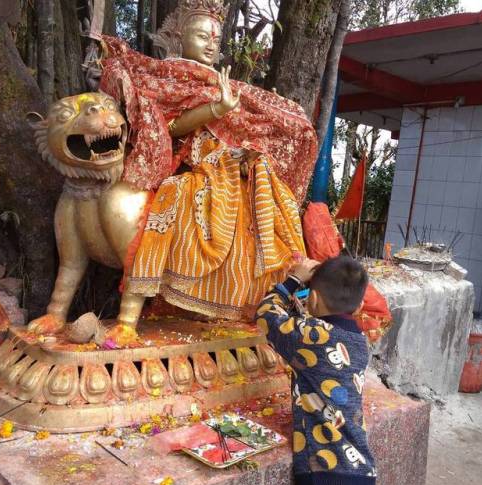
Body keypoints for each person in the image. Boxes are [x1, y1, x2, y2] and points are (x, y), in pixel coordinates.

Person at [98, 0, 317, 322]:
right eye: (202, 36)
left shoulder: (225, 81)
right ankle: (182, 305)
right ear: (178, 37)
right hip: (199, 166)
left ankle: (256, 307)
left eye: (215, 39)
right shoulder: (170, 76)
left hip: (240, 168)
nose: (210, 44)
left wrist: (250, 149)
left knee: (274, 207)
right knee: (186, 201)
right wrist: (217, 109)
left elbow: (255, 128)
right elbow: (168, 128)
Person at [255, 256, 376, 485]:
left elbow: (266, 315)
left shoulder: (312, 335)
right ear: (360, 306)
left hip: (324, 478)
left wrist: (293, 280)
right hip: (362, 474)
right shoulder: (360, 342)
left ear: (312, 298)